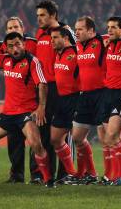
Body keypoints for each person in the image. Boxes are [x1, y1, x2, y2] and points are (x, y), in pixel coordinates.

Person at [0, 30, 54, 187]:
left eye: (18, 44)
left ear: (24, 44)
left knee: (36, 145)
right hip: (8, 114)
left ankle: (48, 180)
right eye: (11, 46)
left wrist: (41, 107)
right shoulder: (5, 60)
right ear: (6, 48)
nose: (15, 49)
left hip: (26, 113)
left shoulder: (32, 61)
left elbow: (43, 84)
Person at [33, 1, 75, 183]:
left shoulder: (66, 32)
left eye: (42, 15)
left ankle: (66, 174)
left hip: (62, 89)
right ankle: (47, 175)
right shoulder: (40, 34)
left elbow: (78, 55)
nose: (39, 19)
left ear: (53, 15)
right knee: (44, 134)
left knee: (64, 133)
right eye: (37, 16)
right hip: (44, 89)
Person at [0, 16, 38, 183]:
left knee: (36, 141)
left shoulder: (34, 44)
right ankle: (16, 175)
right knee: (14, 141)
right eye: (9, 28)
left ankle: (37, 175)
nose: (12, 30)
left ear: (23, 28)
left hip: (32, 103)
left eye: (15, 26)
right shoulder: (5, 47)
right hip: (13, 105)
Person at [100, 16, 121, 186]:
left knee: (113, 134)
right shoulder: (108, 44)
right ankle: (115, 175)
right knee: (109, 138)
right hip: (107, 93)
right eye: (108, 27)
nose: (109, 30)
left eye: (113, 27)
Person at [72, 16, 106, 184]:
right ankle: (89, 174)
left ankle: (112, 175)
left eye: (80, 29)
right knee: (77, 137)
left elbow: (119, 36)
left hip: (102, 95)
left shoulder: (101, 42)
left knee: (105, 137)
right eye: (75, 29)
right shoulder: (77, 46)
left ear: (92, 31)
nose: (76, 32)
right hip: (84, 96)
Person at [48, 26, 80, 185]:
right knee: (55, 138)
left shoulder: (76, 53)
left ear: (66, 38)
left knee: (77, 138)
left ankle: (80, 174)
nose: (52, 41)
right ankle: (72, 172)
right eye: (51, 38)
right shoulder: (57, 54)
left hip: (75, 99)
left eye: (55, 38)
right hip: (61, 100)